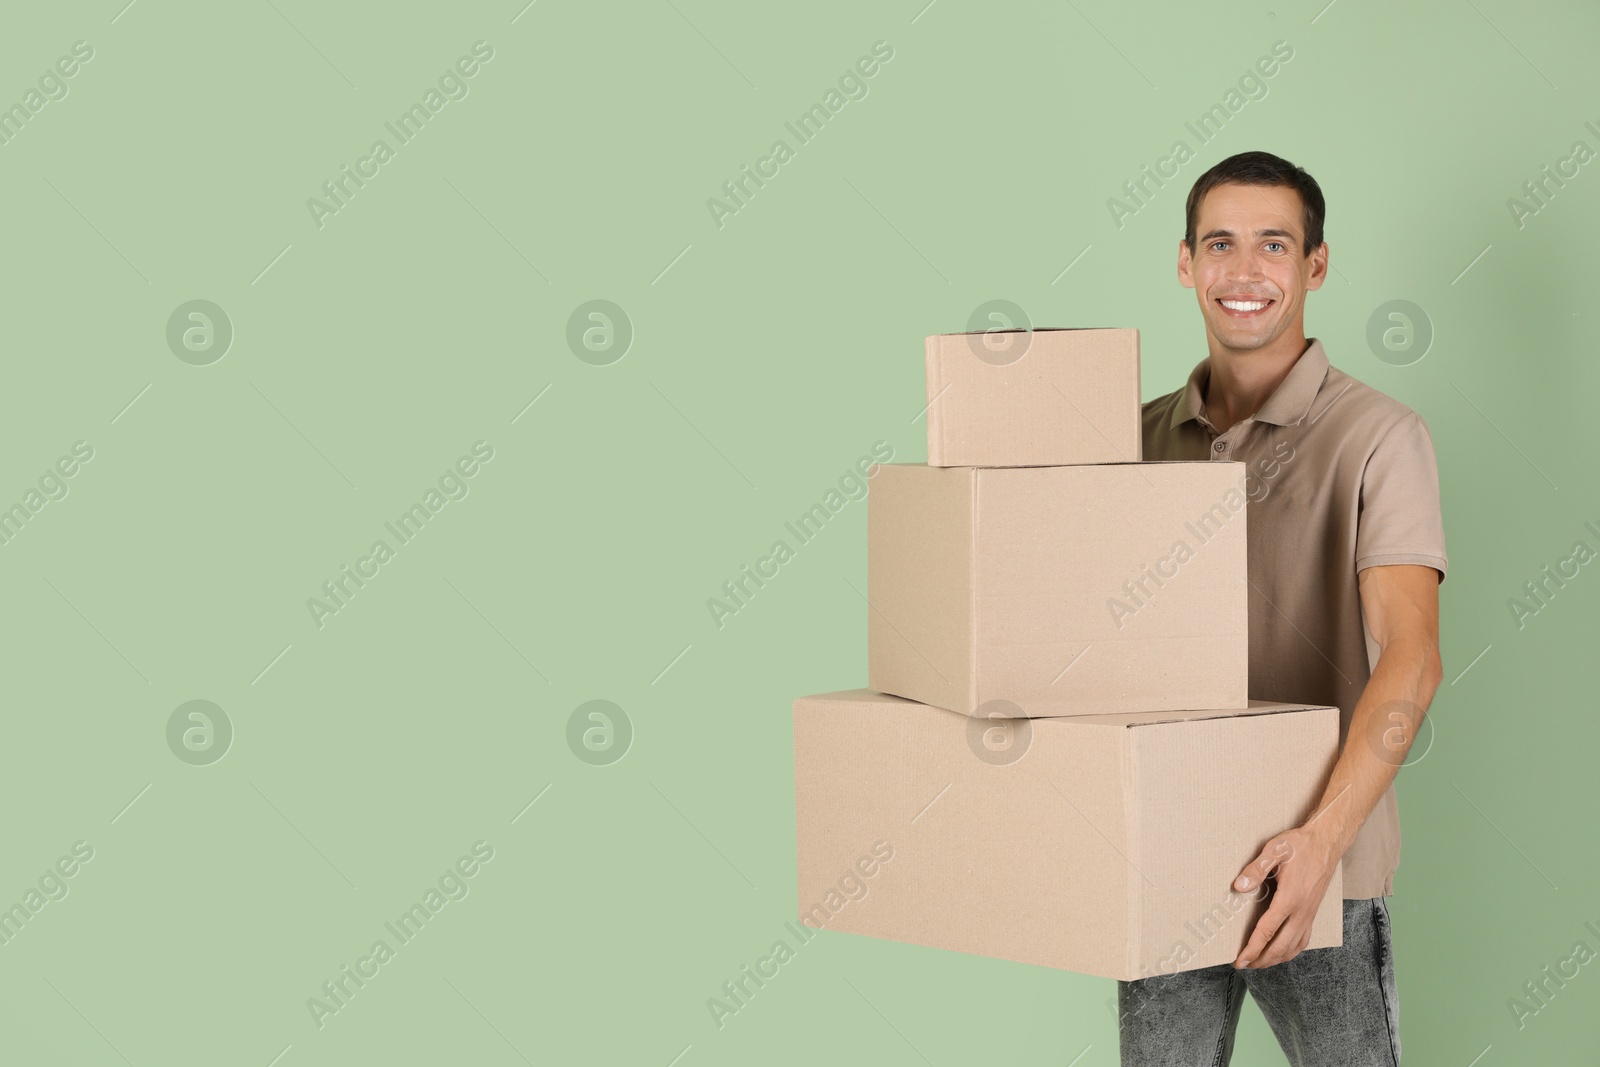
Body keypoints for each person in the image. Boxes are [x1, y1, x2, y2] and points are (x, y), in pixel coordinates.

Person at [1126, 151, 1447, 1066]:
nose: (1244, 270)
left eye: (1274, 244)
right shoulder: (1135, 437)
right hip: (1166, 846)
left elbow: (1411, 656)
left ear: (1315, 266)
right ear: (1185, 262)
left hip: (1324, 860)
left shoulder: (1379, 435)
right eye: (1220, 243)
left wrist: (1319, 843)